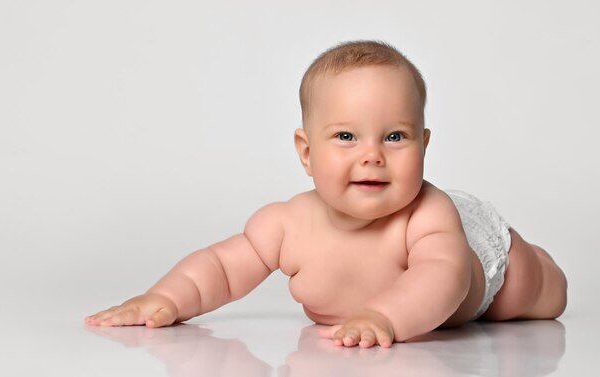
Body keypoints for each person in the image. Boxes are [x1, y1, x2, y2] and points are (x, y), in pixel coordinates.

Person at [85, 40, 567, 348]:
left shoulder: (428, 214)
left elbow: (442, 277)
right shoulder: (286, 224)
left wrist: (384, 315)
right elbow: (221, 268)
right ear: (306, 152)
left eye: (395, 137)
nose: (372, 155)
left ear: (424, 144)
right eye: (346, 137)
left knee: (536, 295)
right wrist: (164, 298)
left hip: (478, 259)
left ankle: (538, 263)